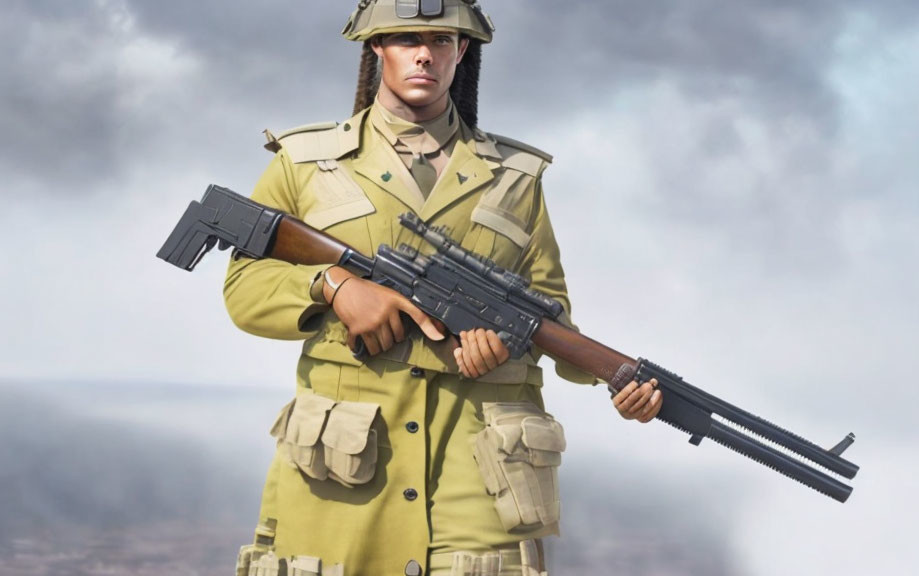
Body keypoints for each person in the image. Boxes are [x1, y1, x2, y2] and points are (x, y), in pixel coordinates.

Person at [223, 1, 662, 574]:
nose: (425, 53)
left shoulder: (515, 177)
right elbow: (245, 289)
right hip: (345, 468)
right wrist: (332, 286)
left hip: (477, 470)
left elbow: (552, 319)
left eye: (441, 39)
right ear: (375, 47)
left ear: (462, 51)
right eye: (406, 39)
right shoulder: (306, 163)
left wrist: (609, 379)